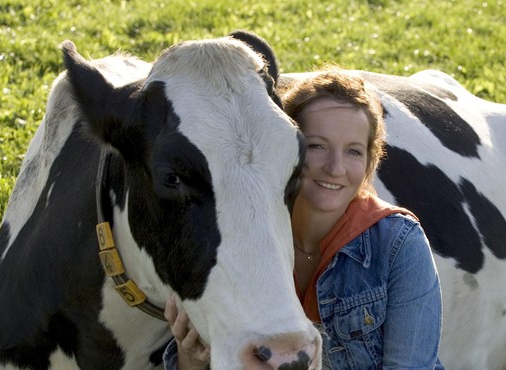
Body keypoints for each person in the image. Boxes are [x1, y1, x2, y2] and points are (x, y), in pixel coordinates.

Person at [163, 70, 444, 370]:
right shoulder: (241, 241)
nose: (335, 168)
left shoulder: (399, 245)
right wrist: (190, 359)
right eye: (317, 146)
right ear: (286, 149)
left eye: (353, 151)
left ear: (368, 162)